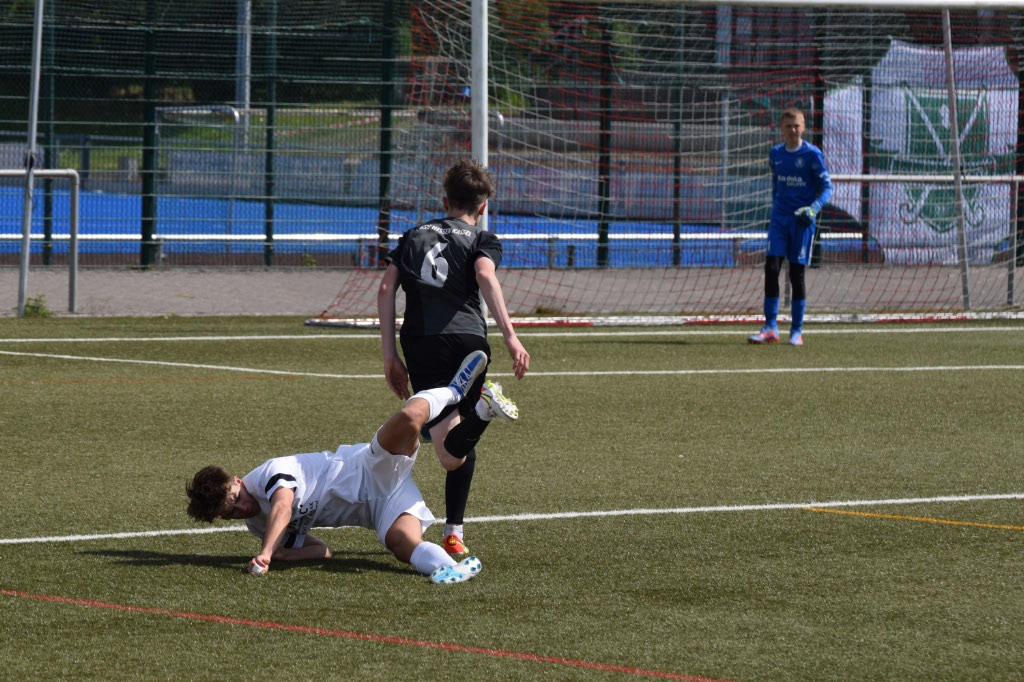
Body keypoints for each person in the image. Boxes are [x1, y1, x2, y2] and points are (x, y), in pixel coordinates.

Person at [185, 350, 490, 584]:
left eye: (236, 498)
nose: (242, 508)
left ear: (237, 480)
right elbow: (323, 551)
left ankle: (455, 391)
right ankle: (452, 568)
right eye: (231, 513)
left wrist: (265, 552)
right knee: (402, 544)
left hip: (368, 469)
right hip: (378, 509)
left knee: (409, 419)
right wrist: (280, 553)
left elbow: (283, 507)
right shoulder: (258, 526)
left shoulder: (268, 474)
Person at [377, 158, 530, 557]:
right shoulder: (482, 238)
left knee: (449, 450)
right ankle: (454, 531)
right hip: (468, 340)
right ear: (483, 206)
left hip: (423, 342)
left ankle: (482, 411)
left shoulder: (412, 235)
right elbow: (485, 275)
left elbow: (386, 289)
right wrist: (511, 337)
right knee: (455, 445)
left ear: (444, 200)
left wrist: (390, 355)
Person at [749, 107, 833, 346]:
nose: (793, 130)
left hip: (802, 222)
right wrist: (776, 209)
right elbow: (776, 185)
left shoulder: (812, 154)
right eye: (788, 126)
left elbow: (827, 187)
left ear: (803, 127)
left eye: (796, 125)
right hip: (779, 220)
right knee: (771, 268)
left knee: (796, 273)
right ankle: (770, 327)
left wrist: (813, 209)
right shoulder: (775, 154)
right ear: (782, 129)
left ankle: (796, 330)